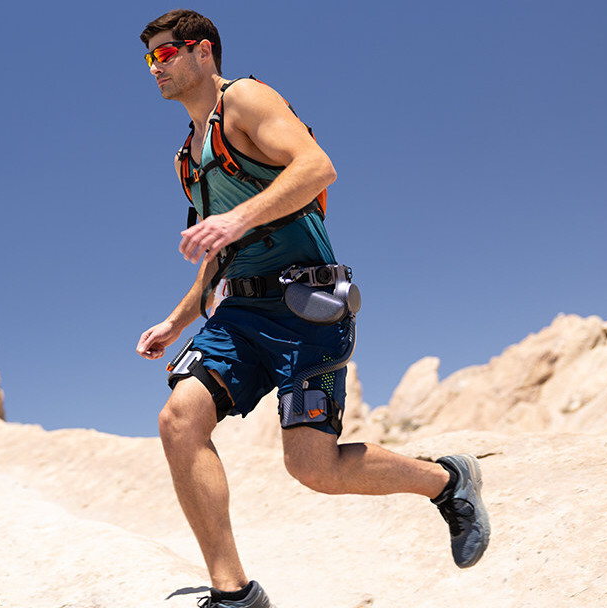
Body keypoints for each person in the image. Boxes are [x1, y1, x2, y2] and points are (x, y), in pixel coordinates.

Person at [135, 9, 490, 608]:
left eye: (166, 54)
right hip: (239, 318)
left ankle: (448, 481)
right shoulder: (186, 160)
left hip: (305, 309)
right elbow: (221, 251)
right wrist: (177, 320)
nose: (156, 69)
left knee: (313, 468)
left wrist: (235, 218)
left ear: (203, 53)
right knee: (179, 420)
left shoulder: (244, 100)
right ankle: (234, 593)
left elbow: (316, 167)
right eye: (150, 60)